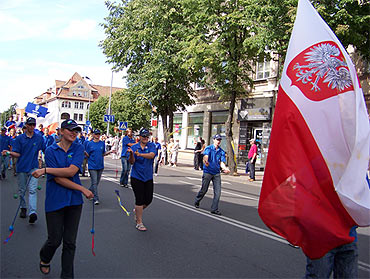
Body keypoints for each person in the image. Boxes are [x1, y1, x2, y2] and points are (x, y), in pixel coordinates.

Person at [32, 119, 93, 278]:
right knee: (54, 240)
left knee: (70, 242)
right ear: (61, 131)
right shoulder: (51, 150)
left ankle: (67, 276)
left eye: (76, 130)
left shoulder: (79, 148)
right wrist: (81, 188)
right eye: (70, 130)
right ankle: (45, 257)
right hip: (55, 200)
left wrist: (46, 170)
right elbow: (58, 179)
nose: (73, 133)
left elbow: (71, 171)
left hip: (74, 201)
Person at [2, 117, 45, 223]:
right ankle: (23, 207)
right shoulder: (20, 139)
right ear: (26, 126)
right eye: (29, 125)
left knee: (32, 190)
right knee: (22, 190)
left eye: (33, 125)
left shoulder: (39, 138)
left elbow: (45, 150)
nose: (31, 127)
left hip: (33, 167)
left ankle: (32, 212)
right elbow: (17, 153)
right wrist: (9, 153)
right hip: (22, 167)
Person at [128, 128, 156, 231]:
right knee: (139, 199)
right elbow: (131, 162)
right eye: (143, 136)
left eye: (147, 136)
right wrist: (132, 154)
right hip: (137, 177)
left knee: (148, 200)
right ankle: (139, 222)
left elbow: (151, 155)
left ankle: (137, 210)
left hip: (148, 177)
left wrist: (140, 154)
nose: (145, 138)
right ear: (139, 137)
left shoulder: (152, 146)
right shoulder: (134, 147)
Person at [194, 134, 230, 215]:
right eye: (217, 140)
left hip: (216, 173)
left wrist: (225, 168)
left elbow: (221, 162)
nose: (218, 141)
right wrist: (206, 161)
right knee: (204, 189)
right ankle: (197, 200)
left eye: (220, 140)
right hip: (208, 172)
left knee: (218, 192)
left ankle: (214, 209)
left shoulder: (221, 151)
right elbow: (205, 157)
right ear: (213, 140)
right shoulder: (209, 148)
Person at [85, 129, 115, 205]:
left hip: (100, 165)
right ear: (93, 135)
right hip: (92, 166)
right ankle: (96, 198)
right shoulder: (89, 144)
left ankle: (89, 191)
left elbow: (103, 154)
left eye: (99, 134)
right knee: (94, 182)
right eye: (96, 134)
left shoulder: (102, 143)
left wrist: (110, 152)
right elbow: (87, 154)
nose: (97, 136)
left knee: (96, 182)